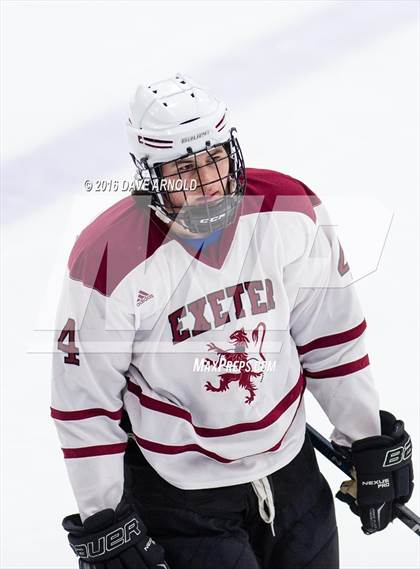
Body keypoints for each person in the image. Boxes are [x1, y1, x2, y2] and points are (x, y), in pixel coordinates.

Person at [51, 73, 413, 569]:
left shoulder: (288, 212)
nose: (206, 184)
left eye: (216, 160)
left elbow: (332, 340)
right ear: (149, 174)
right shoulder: (109, 257)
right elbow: (85, 406)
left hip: (292, 475)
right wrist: (104, 519)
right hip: (178, 493)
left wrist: (366, 435)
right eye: (183, 169)